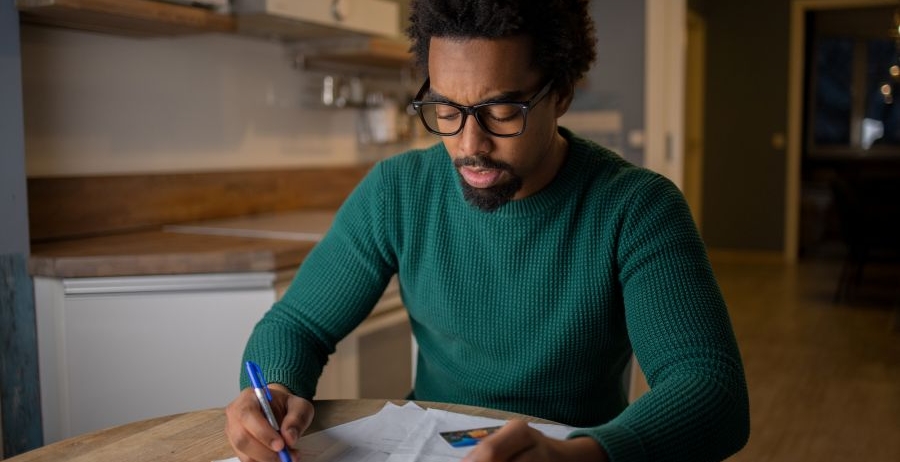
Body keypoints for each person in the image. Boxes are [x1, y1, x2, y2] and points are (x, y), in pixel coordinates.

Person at [224, 1, 750, 461]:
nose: (469, 144)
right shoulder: (398, 191)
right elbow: (297, 324)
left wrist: (584, 457)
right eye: (446, 109)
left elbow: (710, 388)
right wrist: (273, 389)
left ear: (561, 93)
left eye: (500, 110)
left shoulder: (636, 207)